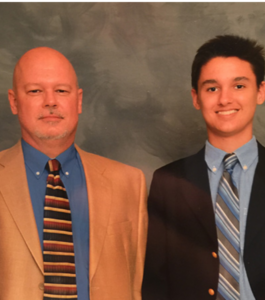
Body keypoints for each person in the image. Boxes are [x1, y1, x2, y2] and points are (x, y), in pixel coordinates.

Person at [0, 47, 147, 300]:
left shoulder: (130, 183)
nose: (50, 101)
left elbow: (136, 286)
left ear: (78, 101)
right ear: (14, 101)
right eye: (35, 91)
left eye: (61, 91)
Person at [142, 35, 265, 300]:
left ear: (261, 92)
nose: (225, 99)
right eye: (212, 88)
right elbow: (155, 282)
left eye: (239, 86)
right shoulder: (168, 182)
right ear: (196, 98)